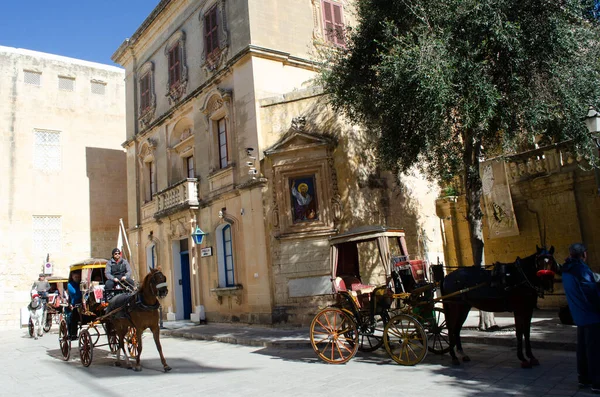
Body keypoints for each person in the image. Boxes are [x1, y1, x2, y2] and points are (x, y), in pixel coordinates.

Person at [561, 243, 600, 393]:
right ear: (583, 254)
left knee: (583, 348)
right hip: (591, 315)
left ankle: (584, 378)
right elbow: (590, 292)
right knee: (594, 350)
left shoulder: (567, 270)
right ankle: (597, 382)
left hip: (579, 314)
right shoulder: (581, 269)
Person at [66, 271, 82, 340]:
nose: (77, 279)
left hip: (83, 301)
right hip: (75, 303)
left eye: (78, 277)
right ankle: (73, 333)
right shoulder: (70, 285)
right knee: (73, 317)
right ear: (72, 277)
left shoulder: (82, 284)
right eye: (75, 277)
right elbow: (75, 293)